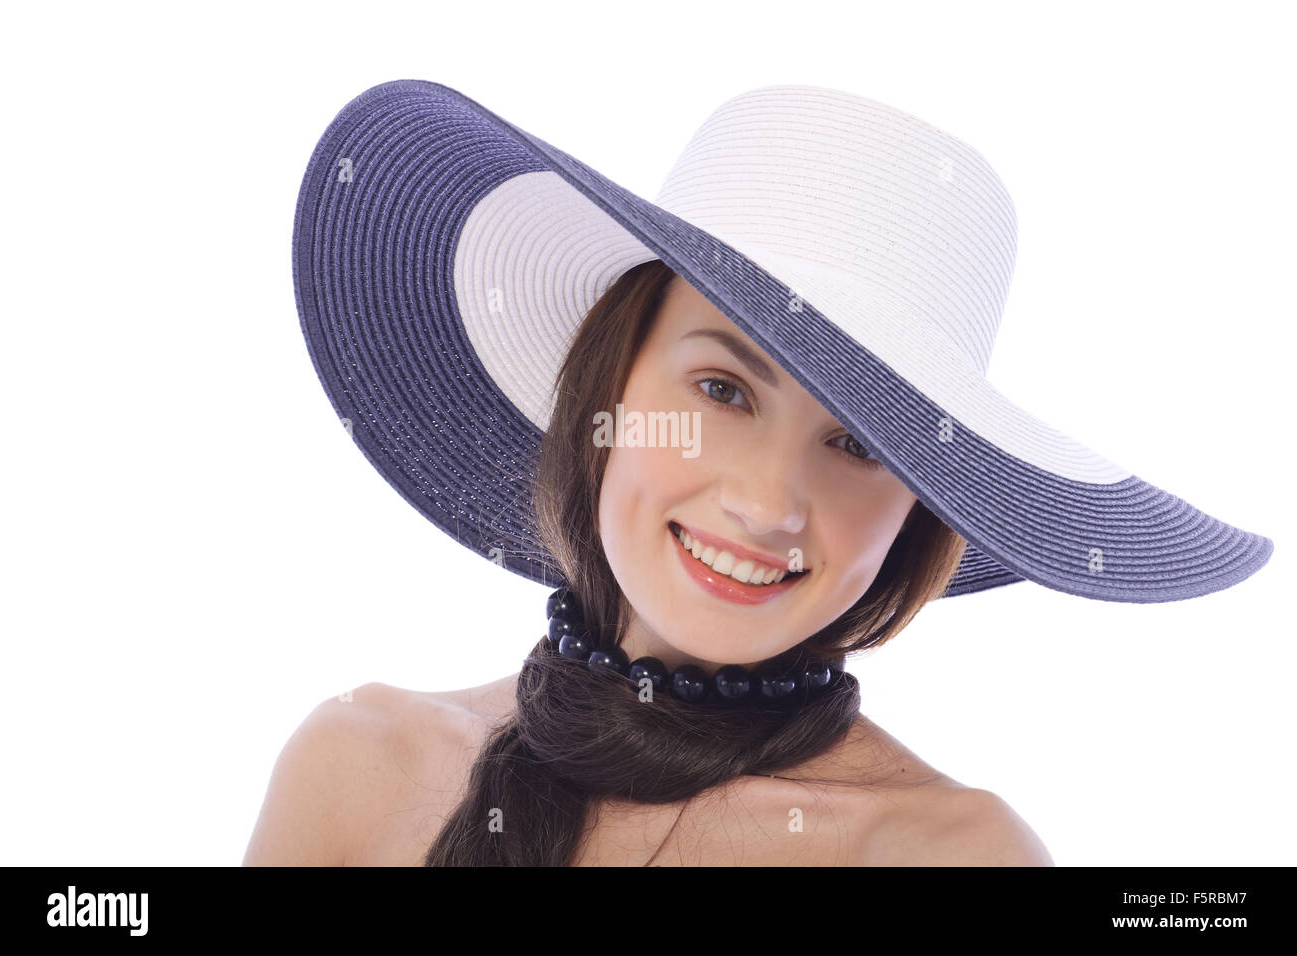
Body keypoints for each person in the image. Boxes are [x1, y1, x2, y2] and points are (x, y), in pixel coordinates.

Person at [245, 80, 1272, 867]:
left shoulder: (949, 854)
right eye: (722, 390)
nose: (765, 503)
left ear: (916, 509)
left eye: (861, 443)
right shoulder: (357, 769)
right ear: (610, 384)